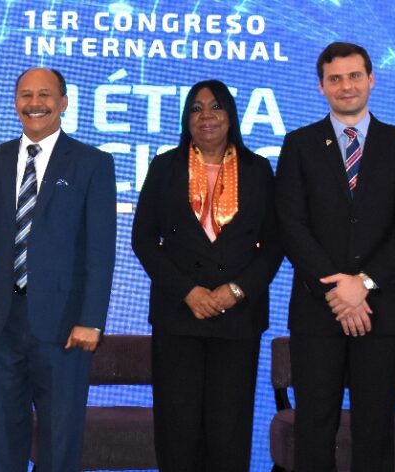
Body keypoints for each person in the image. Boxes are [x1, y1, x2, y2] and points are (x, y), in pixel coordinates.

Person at [0, 67, 116, 471]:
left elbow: (100, 250)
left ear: (63, 102)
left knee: (60, 441)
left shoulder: (92, 163)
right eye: (25, 95)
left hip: (64, 327)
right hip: (0, 323)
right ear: (14, 103)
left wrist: (91, 320)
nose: (34, 104)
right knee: (1, 436)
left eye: (45, 95)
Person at [275, 42, 395, 471]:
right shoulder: (300, 144)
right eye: (335, 78)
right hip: (318, 309)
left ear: (371, 79)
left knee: (376, 429)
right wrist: (338, 289)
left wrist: (361, 285)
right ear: (321, 86)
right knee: (314, 427)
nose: (346, 86)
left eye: (354, 76)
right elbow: (291, 225)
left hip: (382, 309)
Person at [131, 79, 282, 471]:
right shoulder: (165, 166)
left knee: (228, 430)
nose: (206, 116)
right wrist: (188, 291)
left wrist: (237, 289)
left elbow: (276, 243)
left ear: (231, 115)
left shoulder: (258, 169)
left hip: (238, 318)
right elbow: (144, 240)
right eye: (196, 109)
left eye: (215, 107)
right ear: (186, 119)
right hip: (179, 316)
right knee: (177, 430)